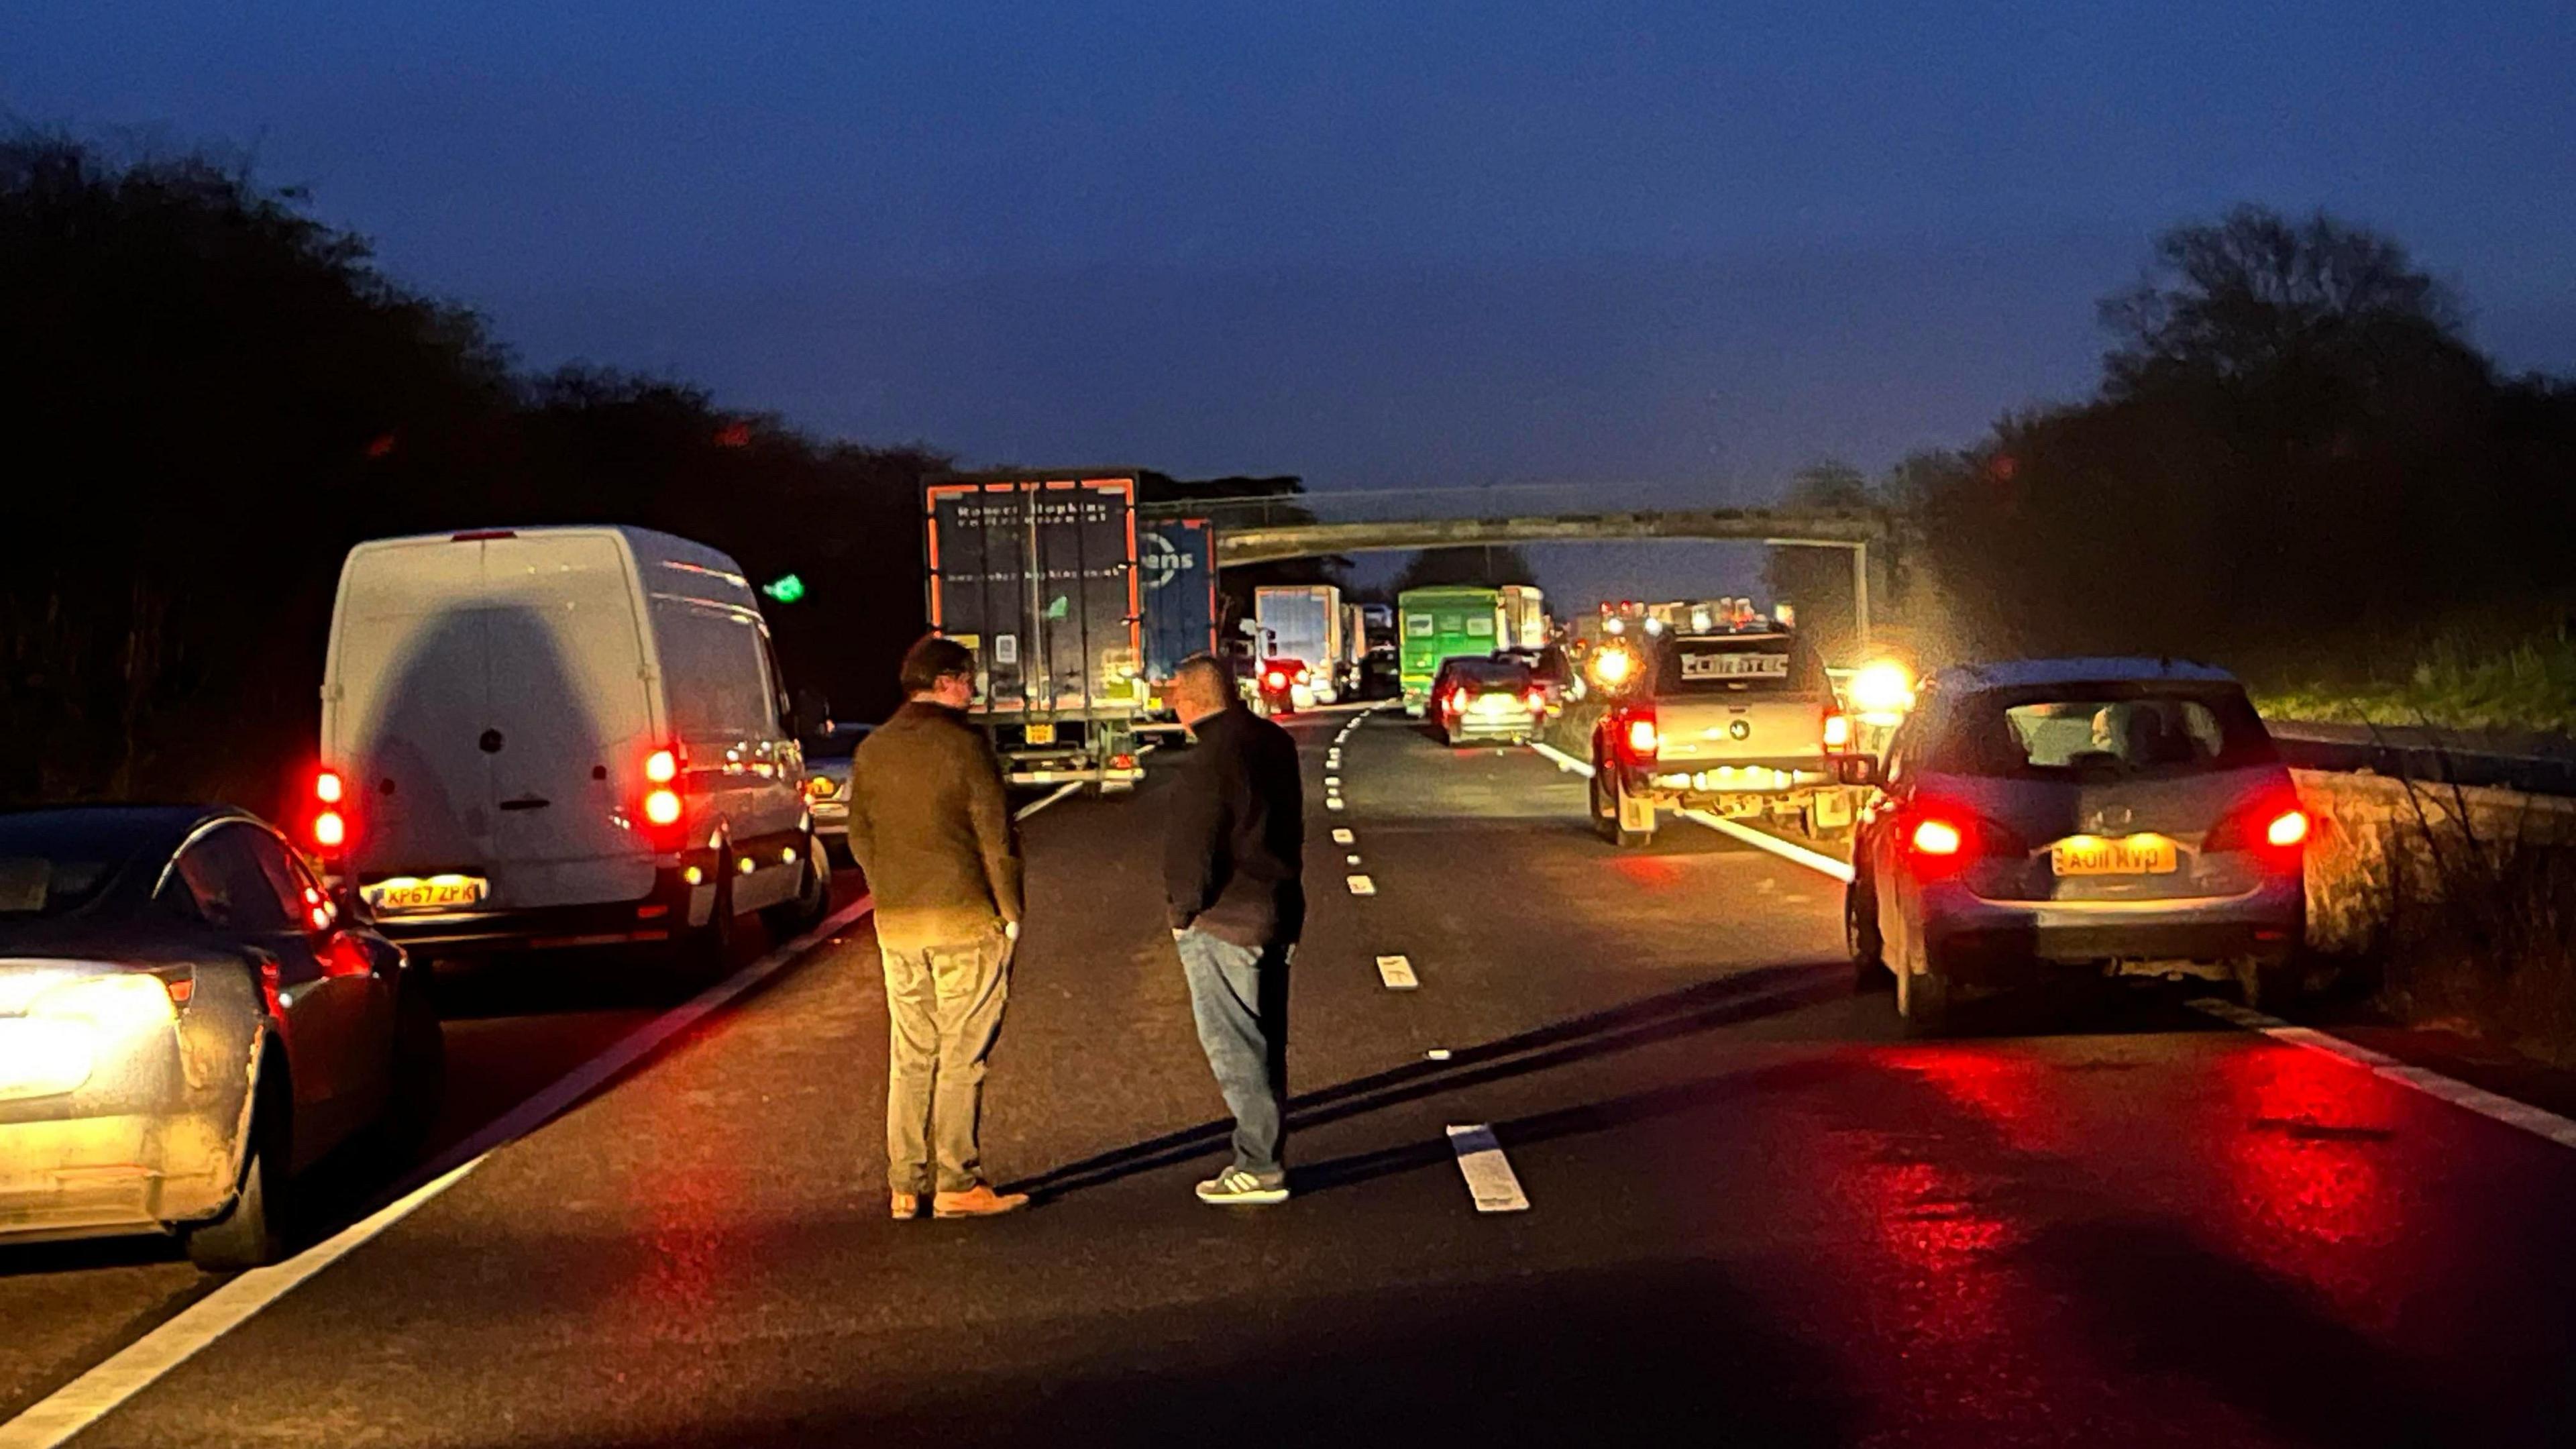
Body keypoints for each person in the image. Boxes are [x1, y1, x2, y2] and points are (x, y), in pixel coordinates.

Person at [846, 635, 1028, 1220]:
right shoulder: (965, 747)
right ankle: (956, 1180)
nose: (973, 691)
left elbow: (859, 836)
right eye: (969, 679)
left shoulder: (873, 749)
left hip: (897, 926)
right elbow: (996, 840)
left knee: (911, 1053)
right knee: (962, 1054)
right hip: (963, 918)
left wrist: (888, 891)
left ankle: (905, 1185)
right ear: (947, 681)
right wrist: (1011, 913)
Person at [1163, 653, 1305, 1207]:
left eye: (1176, 692)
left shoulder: (1208, 760)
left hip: (1225, 920)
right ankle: (1265, 1151)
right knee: (1267, 1040)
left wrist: (1183, 913)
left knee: (1235, 1046)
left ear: (1192, 699)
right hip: (1278, 907)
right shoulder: (1274, 743)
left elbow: (1193, 847)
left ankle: (1259, 1164)